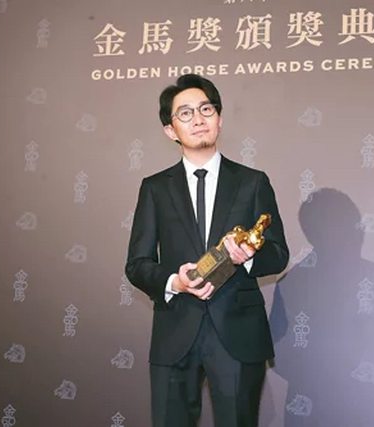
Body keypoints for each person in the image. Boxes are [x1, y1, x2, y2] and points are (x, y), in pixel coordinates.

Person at [125, 74, 289, 427]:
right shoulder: (155, 188)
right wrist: (175, 282)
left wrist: (248, 259)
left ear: (219, 119)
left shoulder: (252, 182)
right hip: (175, 333)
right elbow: (137, 264)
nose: (198, 119)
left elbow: (278, 254)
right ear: (170, 130)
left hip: (238, 334)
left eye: (206, 109)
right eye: (185, 113)